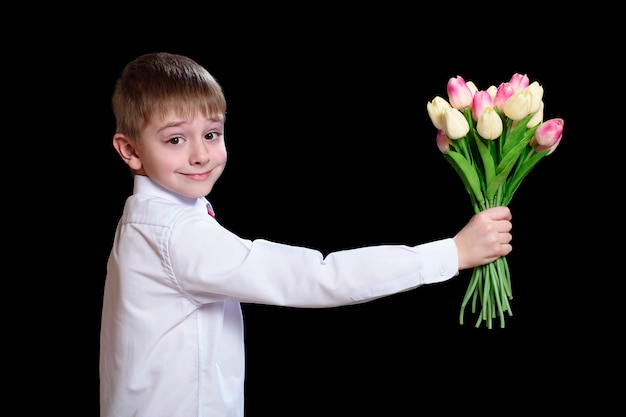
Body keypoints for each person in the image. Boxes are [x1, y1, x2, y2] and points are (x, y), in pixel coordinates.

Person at [99, 51, 513, 417]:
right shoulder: (175, 234)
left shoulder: (148, 218)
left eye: (211, 133)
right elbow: (318, 277)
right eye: (175, 139)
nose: (201, 154)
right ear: (130, 150)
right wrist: (452, 253)